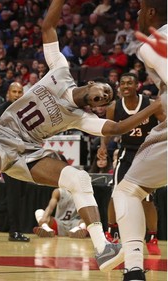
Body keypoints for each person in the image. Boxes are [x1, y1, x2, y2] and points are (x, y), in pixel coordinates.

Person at [0, 0, 163, 277]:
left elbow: (115, 129)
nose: (104, 97)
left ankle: (102, 249)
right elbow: (48, 26)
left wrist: (154, 107)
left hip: (28, 153)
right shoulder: (60, 69)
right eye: (104, 91)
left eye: (107, 99)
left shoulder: (80, 117)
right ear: (91, 84)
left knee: (80, 179)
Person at [104, 0, 167, 277]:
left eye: (141, 10)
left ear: (151, 12)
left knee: (127, 191)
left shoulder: (151, 43)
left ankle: (133, 269)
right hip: (134, 147)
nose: (138, 16)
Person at [98, 73, 163, 255]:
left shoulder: (149, 104)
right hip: (126, 152)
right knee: (115, 192)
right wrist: (103, 146)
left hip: (146, 153)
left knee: (147, 199)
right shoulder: (114, 107)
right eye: (122, 83)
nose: (125, 86)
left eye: (129, 83)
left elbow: (164, 122)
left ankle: (151, 237)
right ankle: (111, 232)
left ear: (137, 86)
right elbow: (107, 129)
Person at [0, 82, 30, 242]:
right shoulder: (2, 109)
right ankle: (14, 232)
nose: (17, 94)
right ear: (8, 93)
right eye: (14, 91)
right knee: (15, 194)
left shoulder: (26, 109)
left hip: (23, 155)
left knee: (21, 193)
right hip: (8, 156)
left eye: (20, 91)